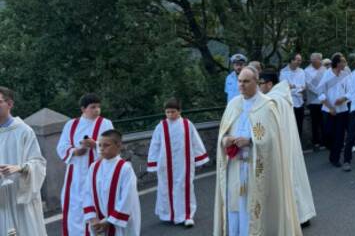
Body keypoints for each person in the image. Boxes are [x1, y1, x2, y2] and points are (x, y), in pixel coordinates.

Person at [213, 66, 301, 236]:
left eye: (246, 81)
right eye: (239, 81)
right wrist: (224, 140)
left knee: (252, 209)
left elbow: (274, 140)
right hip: (234, 167)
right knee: (234, 207)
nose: (241, 85)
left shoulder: (267, 106)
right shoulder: (233, 104)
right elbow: (223, 133)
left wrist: (251, 141)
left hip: (256, 168)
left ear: (256, 82)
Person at [259, 70, 316, 226]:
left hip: (281, 145)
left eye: (260, 83)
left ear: (269, 84)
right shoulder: (282, 96)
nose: (258, 87)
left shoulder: (272, 100)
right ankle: (303, 215)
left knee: (288, 180)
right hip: (289, 143)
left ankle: (296, 217)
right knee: (295, 178)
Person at [57, 93, 114, 236]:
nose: (97, 110)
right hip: (75, 175)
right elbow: (62, 146)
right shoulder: (71, 124)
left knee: (96, 206)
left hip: (98, 174)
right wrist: (76, 151)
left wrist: (95, 145)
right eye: (93, 107)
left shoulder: (105, 123)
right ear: (83, 109)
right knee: (74, 209)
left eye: (98, 107)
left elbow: (113, 145)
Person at [147, 98, 209, 226]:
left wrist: (199, 158)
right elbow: (155, 145)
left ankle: (187, 215)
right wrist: (153, 163)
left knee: (185, 187)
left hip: (184, 163)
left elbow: (195, 141)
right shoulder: (161, 126)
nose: (170, 115)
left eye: (173, 112)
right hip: (165, 164)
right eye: (167, 112)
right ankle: (168, 214)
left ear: (179, 111)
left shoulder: (187, 124)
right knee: (166, 188)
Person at [0, 87, 47, 236]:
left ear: (10, 104)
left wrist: (21, 168)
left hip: (21, 197)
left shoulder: (23, 131)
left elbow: (38, 163)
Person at [83, 129, 141, 236]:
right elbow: (87, 193)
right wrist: (93, 218)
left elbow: (128, 198)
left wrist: (110, 221)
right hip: (98, 222)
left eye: (106, 145)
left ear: (118, 146)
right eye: (99, 145)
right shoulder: (94, 167)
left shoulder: (125, 169)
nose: (101, 149)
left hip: (119, 224)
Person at [317, 53, 351, 169]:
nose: (345, 64)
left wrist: (344, 98)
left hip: (342, 110)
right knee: (328, 133)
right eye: (343, 62)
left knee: (340, 135)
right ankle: (332, 151)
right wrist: (330, 107)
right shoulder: (327, 75)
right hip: (328, 110)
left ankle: (335, 158)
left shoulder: (345, 74)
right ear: (337, 63)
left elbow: (351, 91)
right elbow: (320, 92)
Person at [280, 53, 306, 140]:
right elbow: (284, 89)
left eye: (300, 60)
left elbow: (303, 86)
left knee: (299, 127)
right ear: (292, 60)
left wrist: (293, 87)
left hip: (300, 103)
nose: (300, 62)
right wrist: (297, 88)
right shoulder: (283, 72)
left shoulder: (302, 71)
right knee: (290, 128)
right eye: (298, 60)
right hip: (289, 104)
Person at [304, 53, 326, 151]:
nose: (318, 62)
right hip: (313, 100)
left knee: (324, 122)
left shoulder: (324, 69)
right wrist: (319, 92)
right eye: (313, 60)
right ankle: (316, 142)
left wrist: (323, 93)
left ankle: (325, 141)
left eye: (318, 60)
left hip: (324, 100)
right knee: (315, 122)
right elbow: (309, 85)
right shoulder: (307, 71)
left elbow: (327, 82)